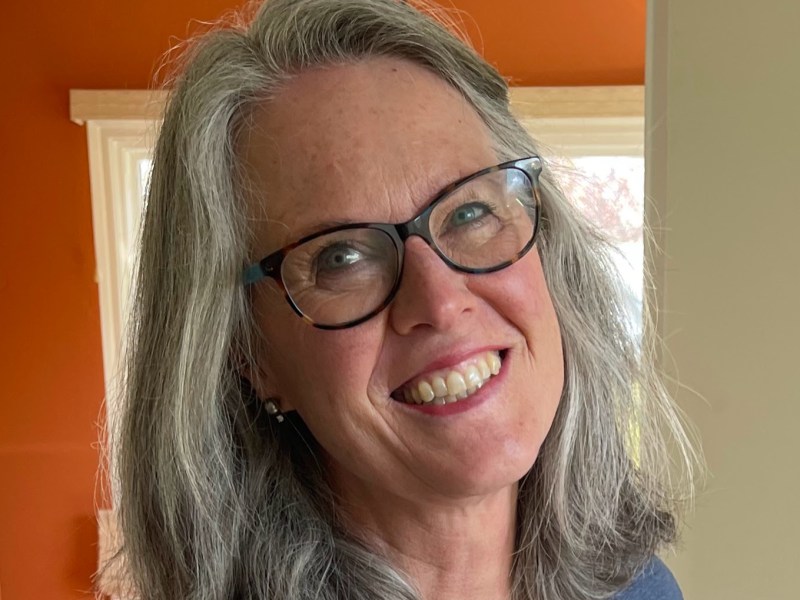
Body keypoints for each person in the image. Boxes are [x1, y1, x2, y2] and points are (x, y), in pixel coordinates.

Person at [115, 1, 695, 599]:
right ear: (247, 352)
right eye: (341, 257)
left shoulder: (640, 590)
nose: (440, 302)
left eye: (471, 211)